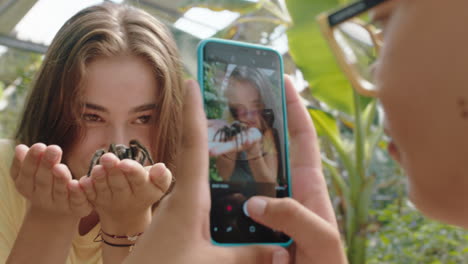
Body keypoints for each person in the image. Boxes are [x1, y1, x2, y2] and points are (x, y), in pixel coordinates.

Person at [125, 0, 468, 263]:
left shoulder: (265, 142)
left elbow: (262, 187)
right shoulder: (229, 141)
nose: (372, 72)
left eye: (382, 21)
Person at [1, 3, 181, 263]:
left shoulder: (190, 211)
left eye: (143, 118)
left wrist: (127, 225)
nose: (117, 147)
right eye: (92, 117)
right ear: (52, 111)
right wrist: (51, 215)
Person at [211, 66, 283, 184]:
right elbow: (224, 174)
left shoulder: (268, 130)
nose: (248, 116)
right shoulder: (230, 120)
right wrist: (232, 143)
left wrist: (254, 151)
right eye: (240, 108)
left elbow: (270, 184)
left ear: (264, 104)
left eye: (255, 106)